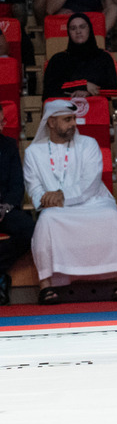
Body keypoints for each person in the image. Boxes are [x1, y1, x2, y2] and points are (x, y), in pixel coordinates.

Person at [27, 99, 117, 305]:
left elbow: (90, 182)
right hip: (55, 209)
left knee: (113, 217)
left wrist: (62, 195)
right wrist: (46, 198)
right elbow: (34, 186)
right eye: (67, 119)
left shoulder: (89, 144)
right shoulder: (34, 152)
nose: (74, 124)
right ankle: (46, 286)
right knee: (46, 221)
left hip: (93, 201)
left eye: (74, 118)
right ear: (51, 123)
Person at [42, 13, 117, 99]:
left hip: (97, 108)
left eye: (82, 27)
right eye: (73, 28)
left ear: (89, 29)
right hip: (65, 109)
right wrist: (82, 85)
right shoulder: (58, 60)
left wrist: (88, 93)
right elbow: (49, 90)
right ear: (68, 32)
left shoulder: (104, 57)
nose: (78, 31)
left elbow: (113, 88)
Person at [0, 105, 32, 306]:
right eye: (0, 121)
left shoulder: (9, 146)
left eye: (3, 120)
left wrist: (5, 207)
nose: (3, 124)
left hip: (4, 210)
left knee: (30, 230)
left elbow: (17, 185)